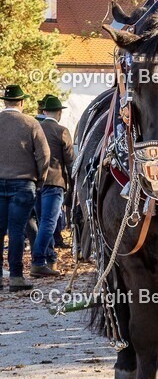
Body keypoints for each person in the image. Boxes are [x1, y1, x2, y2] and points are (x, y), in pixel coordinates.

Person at [0, 86, 50, 291]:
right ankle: (16, 277)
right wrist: (41, 179)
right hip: (23, 183)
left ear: (5, 102)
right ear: (21, 102)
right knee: (17, 232)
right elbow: (44, 154)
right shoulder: (31, 123)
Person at [31, 96, 74, 278]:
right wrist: (73, 184)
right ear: (60, 112)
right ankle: (38, 261)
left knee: (42, 222)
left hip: (36, 182)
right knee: (49, 223)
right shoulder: (61, 130)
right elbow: (71, 161)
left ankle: (50, 258)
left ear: (44, 112)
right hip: (55, 182)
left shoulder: (35, 128)